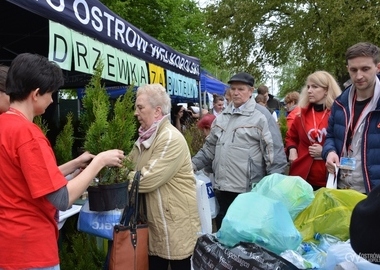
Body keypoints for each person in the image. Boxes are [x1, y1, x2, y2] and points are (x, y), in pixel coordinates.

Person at [0, 53, 125, 270]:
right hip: (32, 250)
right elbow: (61, 198)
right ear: (36, 94)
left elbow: (29, 178)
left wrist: (76, 163)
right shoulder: (28, 135)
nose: (51, 100)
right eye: (51, 93)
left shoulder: (5, 125)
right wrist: (100, 162)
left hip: (9, 245)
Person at [192, 72, 287, 229]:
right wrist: (192, 165)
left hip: (249, 192)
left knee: (245, 239)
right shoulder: (222, 117)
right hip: (222, 189)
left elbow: (274, 154)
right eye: (233, 88)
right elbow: (209, 149)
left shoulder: (261, 116)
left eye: (241, 89)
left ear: (251, 91)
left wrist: (273, 190)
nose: (236, 92)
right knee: (224, 237)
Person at [127, 84, 201, 270]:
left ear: (157, 111)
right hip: (156, 225)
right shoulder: (144, 138)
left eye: (140, 107)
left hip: (173, 227)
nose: (136, 113)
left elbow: (145, 180)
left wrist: (119, 178)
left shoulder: (169, 138)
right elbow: (129, 164)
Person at [323, 42, 380, 194]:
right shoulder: (340, 103)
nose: (359, 76)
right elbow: (330, 136)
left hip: (373, 192)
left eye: (365, 69)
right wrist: (329, 152)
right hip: (342, 187)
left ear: (378, 67)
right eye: (353, 70)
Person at [286, 71, 341, 190]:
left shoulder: (338, 114)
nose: (309, 90)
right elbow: (291, 137)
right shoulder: (301, 115)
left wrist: (325, 152)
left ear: (327, 90)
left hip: (330, 178)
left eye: (315, 87)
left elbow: (346, 144)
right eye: (308, 87)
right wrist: (292, 150)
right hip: (303, 176)